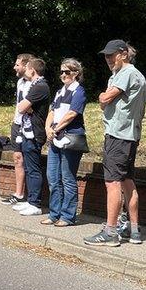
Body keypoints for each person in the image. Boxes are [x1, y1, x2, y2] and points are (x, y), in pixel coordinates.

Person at [84, 40, 146, 247]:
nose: (108, 59)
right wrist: (105, 99)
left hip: (118, 135)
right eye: (105, 56)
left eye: (111, 55)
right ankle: (135, 230)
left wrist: (104, 97)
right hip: (129, 135)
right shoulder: (131, 74)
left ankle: (111, 232)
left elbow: (105, 98)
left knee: (112, 183)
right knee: (128, 181)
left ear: (123, 54)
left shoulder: (126, 74)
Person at [42, 58, 87, 226]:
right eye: (61, 72)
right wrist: (48, 128)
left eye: (66, 72)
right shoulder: (60, 91)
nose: (63, 75)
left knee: (67, 178)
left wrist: (56, 129)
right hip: (55, 138)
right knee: (52, 177)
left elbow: (72, 113)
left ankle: (68, 216)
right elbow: (52, 111)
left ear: (75, 73)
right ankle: (54, 214)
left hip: (70, 138)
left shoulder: (79, 91)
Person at [10, 58, 50, 216]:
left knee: (33, 169)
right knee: (28, 167)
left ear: (32, 70)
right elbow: (24, 107)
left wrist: (28, 108)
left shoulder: (40, 86)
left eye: (27, 68)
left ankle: (35, 203)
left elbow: (21, 107)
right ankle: (30, 200)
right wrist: (28, 109)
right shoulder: (34, 85)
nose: (24, 71)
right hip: (26, 130)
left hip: (34, 132)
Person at [3, 54, 34, 205]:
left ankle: (32, 197)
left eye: (17, 65)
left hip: (29, 126)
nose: (15, 67)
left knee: (29, 161)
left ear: (26, 66)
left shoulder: (34, 84)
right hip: (17, 124)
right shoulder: (19, 82)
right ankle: (19, 193)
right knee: (17, 159)